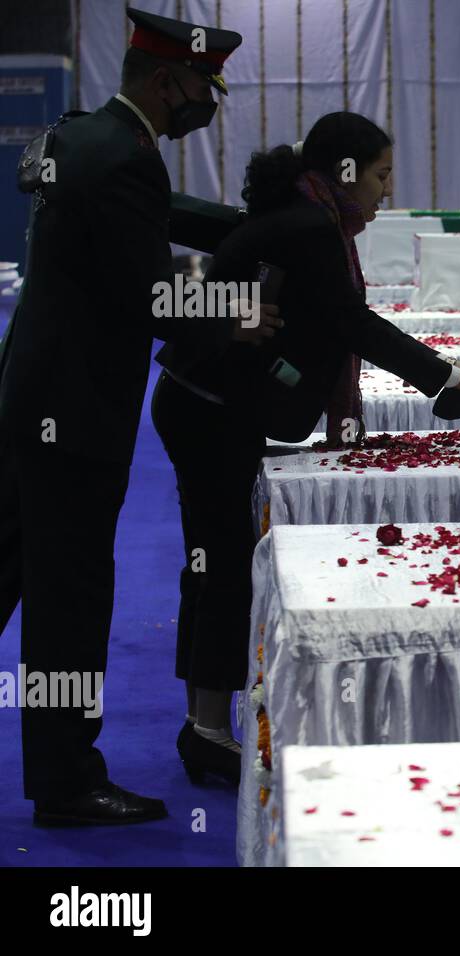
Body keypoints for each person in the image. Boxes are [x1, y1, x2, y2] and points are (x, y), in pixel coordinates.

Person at [151, 111, 460, 785]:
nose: (387, 189)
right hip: (209, 411)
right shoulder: (310, 229)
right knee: (222, 570)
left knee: (211, 563)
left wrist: (453, 376)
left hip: (202, 403)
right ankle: (207, 730)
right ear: (345, 173)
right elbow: (354, 324)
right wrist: (455, 379)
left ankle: (204, 721)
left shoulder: (303, 215)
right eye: (382, 174)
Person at [0, 8, 281, 826]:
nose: (208, 100)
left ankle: (62, 768)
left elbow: (148, 213)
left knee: (13, 567)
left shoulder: (80, 137)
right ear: (166, 81)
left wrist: (240, 227)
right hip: (75, 414)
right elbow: (152, 294)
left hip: (31, 394)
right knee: (70, 601)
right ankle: (65, 780)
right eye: (203, 84)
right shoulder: (125, 157)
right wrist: (238, 307)